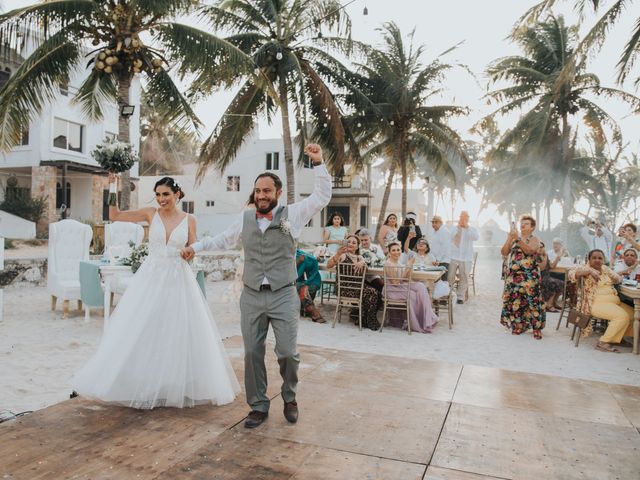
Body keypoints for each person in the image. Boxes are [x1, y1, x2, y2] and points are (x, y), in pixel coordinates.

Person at [181, 143, 331, 428]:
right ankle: (259, 405)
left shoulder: (294, 214)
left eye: (267, 191)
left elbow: (322, 196)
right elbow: (222, 240)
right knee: (252, 353)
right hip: (251, 295)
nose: (261, 196)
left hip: (284, 294)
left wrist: (319, 163)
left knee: (287, 352)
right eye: (258, 191)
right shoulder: (245, 217)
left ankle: (289, 397)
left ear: (278, 193)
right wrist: (195, 247)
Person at [72, 176, 240, 409]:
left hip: (179, 279)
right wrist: (112, 188)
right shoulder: (151, 214)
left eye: (166, 194)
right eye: (158, 195)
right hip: (151, 277)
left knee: (176, 329)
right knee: (144, 326)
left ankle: (172, 384)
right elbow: (115, 215)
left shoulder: (190, 219)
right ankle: (143, 382)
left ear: (177, 194)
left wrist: (190, 252)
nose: (161, 199)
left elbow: (194, 247)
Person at [568, 249, 634, 353]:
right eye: (594, 258)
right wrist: (589, 271)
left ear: (603, 260)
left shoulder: (605, 269)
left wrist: (616, 277)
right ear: (589, 259)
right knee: (622, 316)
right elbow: (571, 274)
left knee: (633, 314)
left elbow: (617, 278)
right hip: (596, 303)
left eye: (600, 258)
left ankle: (620, 338)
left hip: (613, 302)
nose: (597, 260)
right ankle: (603, 342)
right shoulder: (584, 268)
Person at [500, 215, 545, 339]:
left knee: (533, 301)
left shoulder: (535, 239)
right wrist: (510, 238)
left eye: (526, 223)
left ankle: (536, 328)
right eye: (522, 223)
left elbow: (530, 251)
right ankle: (518, 326)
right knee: (516, 301)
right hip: (514, 276)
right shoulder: (515, 238)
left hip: (530, 276)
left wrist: (517, 240)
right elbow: (504, 252)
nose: (523, 225)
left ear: (532, 227)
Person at [326, 234, 381, 330]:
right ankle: (367, 320)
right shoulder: (342, 255)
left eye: (354, 242)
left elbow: (366, 268)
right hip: (345, 288)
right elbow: (328, 265)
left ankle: (365, 319)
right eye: (349, 242)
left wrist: (362, 262)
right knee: (372, 292)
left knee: (375, 292)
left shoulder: (359, 257)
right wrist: (338, 254)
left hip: (358, 287)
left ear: (357, 246)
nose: (351, 244)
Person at [383, 241, 438, 333]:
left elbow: (405, 279)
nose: (397, 252)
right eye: (393, 250)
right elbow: (396, 282)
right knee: (413, 295)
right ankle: (415, 323)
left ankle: (428, 318)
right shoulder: (389, 264)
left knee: (421, 286)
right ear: (389, 252)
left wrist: (409, 268)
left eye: (398, 250)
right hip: (392, 290)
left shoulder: (399, 263)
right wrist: (407, 267)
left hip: (399, 287)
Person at [448, 211, 479, 304]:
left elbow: (476, 237)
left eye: (465, 218)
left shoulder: (472, 229)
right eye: (461, 217)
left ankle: (460, 297)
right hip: (453, 256)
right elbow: (449, 237)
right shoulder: (453, 228)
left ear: (468, 219)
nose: (462, 219)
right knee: (450, 276)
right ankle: (449, 294)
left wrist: (467, 227)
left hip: (466, 258)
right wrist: (457, 229)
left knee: (464, 277)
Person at [296, 249, 324, 323]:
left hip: (310, 279)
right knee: (301, 287)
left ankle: (306, 309)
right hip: (292, 280)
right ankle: (312, 310)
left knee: (306, 287)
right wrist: (298, 261)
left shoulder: (304, 256)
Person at [538, 242, 564, 312]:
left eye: (542, 247)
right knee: (553, 283)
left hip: (547, 276)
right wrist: (545, 256)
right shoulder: (536, 256)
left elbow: (552, 266)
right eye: (539, 247)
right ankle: (549, 305)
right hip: (540, 277)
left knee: (562, 283)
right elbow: (542, 268)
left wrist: (558, 258)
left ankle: (553, 302)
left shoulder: (545, 255)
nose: (541, 249)